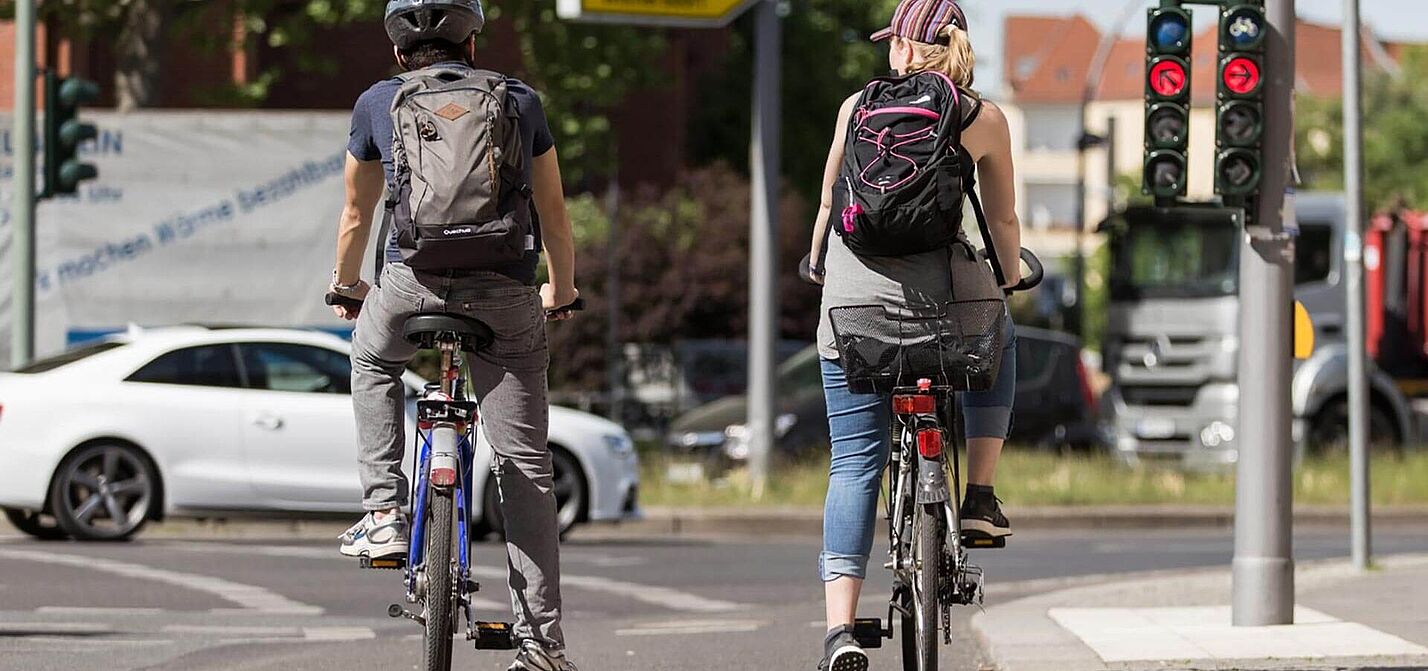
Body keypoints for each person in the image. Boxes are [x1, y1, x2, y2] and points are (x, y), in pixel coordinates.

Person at [326, 2, 579, 669]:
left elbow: (356, 212)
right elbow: (554, 212)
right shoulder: (519, 100)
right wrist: (564, 289)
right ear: (472, 39)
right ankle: (541, 645)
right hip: (505, 287)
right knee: (525, 465)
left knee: (373, 357)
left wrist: (346, 285)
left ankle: (384, 509)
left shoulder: (378, 102)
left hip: (412, 284)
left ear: (399, 46)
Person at [806, 1, 1022, 668]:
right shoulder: (981, 117)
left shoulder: (854, 108)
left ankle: (840, 629)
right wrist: (1006, 280)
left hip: (853, 315)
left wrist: (818, 263)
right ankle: (980, 494)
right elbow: (1005, 222)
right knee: (1000, 331)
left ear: (904, 48)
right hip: (941, 314)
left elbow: (825, 205)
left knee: (853, 461)